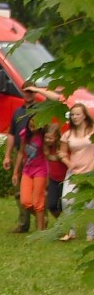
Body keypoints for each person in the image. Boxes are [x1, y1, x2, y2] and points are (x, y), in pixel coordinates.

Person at [4, 83, 43, 233]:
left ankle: (41, 222)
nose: (28, 94)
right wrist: (7, 155)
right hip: (20, 152)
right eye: (25, 91)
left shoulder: (40, 110)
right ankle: (23, 223)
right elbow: (11, 134)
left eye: (31, 92)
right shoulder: (17, 112)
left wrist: (38, 90)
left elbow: (56, 99)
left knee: (38, 192)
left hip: (37, 155)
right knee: (19, 191)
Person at [58, 101, 94, 242]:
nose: (74, 117)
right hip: (74, 173)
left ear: (84, 115)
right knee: (67, 201)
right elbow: (61, 152)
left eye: (77, 114)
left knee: (90, 204)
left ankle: (90, 234)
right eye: (72, 114)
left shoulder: (92, 131)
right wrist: (68, 162)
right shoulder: (68, 134)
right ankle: (70, 231)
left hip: (90, 173)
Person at [13, 112, 50, 233]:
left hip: (40, 170)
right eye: (31, 121)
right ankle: (42, 219)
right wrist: (15, 172)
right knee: (25, 201)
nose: (32, 124)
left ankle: (40, 230)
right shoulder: (25, 135)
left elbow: (48, 153)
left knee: (37, 202)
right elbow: (20, 153)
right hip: (27, 170)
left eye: (36, 122)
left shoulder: (43, 137)